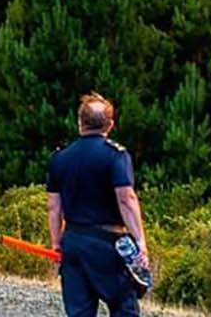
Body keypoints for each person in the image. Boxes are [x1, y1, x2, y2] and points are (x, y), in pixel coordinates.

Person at [47, 93, 152, 317]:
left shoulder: (60, 158)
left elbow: (54, 207)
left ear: (79, 123)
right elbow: (126, 198)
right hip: (106, 243)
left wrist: (56, 243)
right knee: (124, 308)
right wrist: (140, 241)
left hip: (73, 241)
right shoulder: (115, 156)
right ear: (110, 124)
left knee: (79, 313)